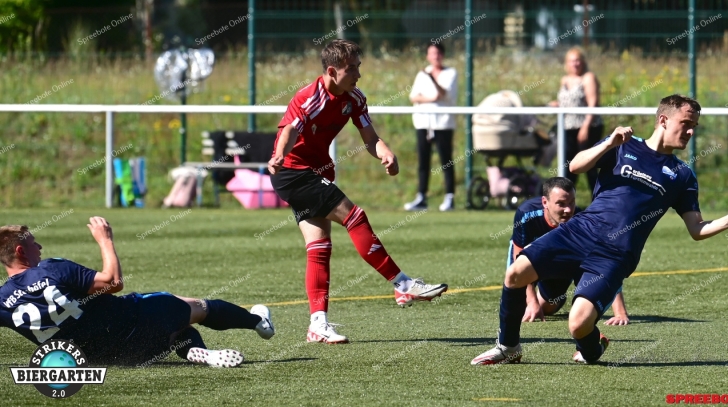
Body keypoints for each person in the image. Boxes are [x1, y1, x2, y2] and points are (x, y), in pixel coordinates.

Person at [472, 95, 728, 365]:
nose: (690, 132)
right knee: (515, 273)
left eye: (694, 127)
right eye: (686, 124)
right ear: (663, 121)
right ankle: (509, 347)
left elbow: (696, 228)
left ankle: (593, 347)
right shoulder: (623, 145)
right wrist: (609, 143)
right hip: (579, 232)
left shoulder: (682, 175)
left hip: (614, 255)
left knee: (577, 323)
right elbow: (575, 165)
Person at [267, 39, 448, 344]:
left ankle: (317, 324)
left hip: (315, 171)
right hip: (294, 172)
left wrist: (385, 152)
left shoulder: (354, 97)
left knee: (320, 248)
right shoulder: (310, 97)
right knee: (354, 216)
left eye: (358, 67)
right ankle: (403, 284)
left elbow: (369, 135)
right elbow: (289, 130)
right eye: (351, 69)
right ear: (331, 71)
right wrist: (279, 154)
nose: (357, 74)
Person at [0, 217, 275, 368]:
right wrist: (105, 240)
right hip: (134, 325)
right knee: (197, 308)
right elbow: (113, 282)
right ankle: (258, 322)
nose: (41, 248)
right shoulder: (51, 270)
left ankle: (195, 352)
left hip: (109, 359)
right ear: (21, 251)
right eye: (34, 244)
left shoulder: (3, 300)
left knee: (181, 332)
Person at [509, 177, 630, 326]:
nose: (568, 210)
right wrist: (531, 302)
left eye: (571, 202)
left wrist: (620, 313)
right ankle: (508, 342)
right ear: (545, 202)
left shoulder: (581, 220)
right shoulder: (526, 214)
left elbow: (601, 264)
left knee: (548, 307)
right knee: (516, 290)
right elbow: (517, 255)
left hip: (555, 257)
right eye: (561, 204)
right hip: (526, 255)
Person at [404, 42, 459, 212]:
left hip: (442, 123)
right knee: (423, 161)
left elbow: (442, 94)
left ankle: (449, 196)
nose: (435, 57)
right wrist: (431, 98)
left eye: (438, 53)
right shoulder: (422, 74)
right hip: (423, 123)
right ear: (428, 56)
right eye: (432, 54)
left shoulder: (450, 73)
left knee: (446, 161)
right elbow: (414, 97)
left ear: (442, 55)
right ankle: (421, 196)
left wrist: (432, 84)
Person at [549, 47, 604, 196]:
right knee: (568, 167)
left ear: (583, 62)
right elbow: (567, 101)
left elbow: (593, 104)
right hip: (567, 128)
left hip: (587, 127)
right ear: (567, 63)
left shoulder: (588, 78)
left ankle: (598, 201)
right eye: (572, 61)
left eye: (578, 60)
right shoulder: (565, 80)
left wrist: (585, 127)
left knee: (589, 167)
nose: (575, 64)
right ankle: (565, 200)